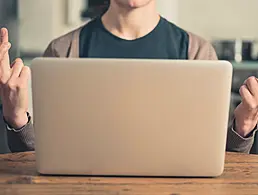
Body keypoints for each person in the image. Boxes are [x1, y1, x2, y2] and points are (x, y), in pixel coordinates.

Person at [0, 0, 258, 153]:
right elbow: (40, 159)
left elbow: (216, 162)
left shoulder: (198, 52)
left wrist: (243, 128)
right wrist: (16, 117)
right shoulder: (63, 50)